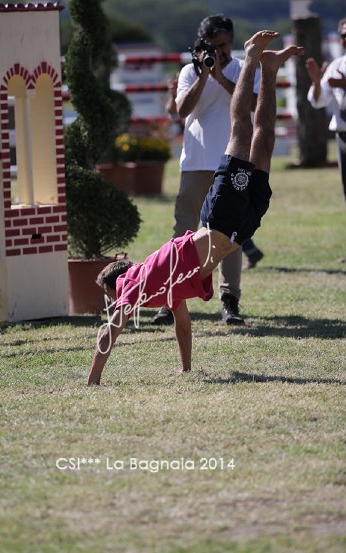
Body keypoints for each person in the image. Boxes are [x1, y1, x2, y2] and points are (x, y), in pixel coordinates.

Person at [87, 31, 304, 385]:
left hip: (219, 219)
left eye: (109, 297)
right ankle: (269, 68)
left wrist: (93, 379)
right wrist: (186, 368)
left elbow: (110, 329)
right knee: (264, 141)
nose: (113, 303)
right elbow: (183, 326)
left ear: (115, 286)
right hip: (239, 228)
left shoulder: (132, 283)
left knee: (242, 129)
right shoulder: (162, 285)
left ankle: (251, 56)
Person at [153, 14, 264, 329]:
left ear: (232, 41)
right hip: (196, 162)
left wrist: (220, 77)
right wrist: (204, 75)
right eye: (213, 46)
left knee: (230, 235)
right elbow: (182, 110)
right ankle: (172, 298)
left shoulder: (243, 69)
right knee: (183, 233)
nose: (220, 52)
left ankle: (230, 300)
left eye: (224, 45)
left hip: (233, 161)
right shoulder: (189, 71)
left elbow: (253, 104)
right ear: (203, 45)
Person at [306, 17, 346, 202]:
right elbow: (318, 101)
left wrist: (344, 83)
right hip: (343, 135)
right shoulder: (337, 65)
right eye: (343, 36)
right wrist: (316, 83)